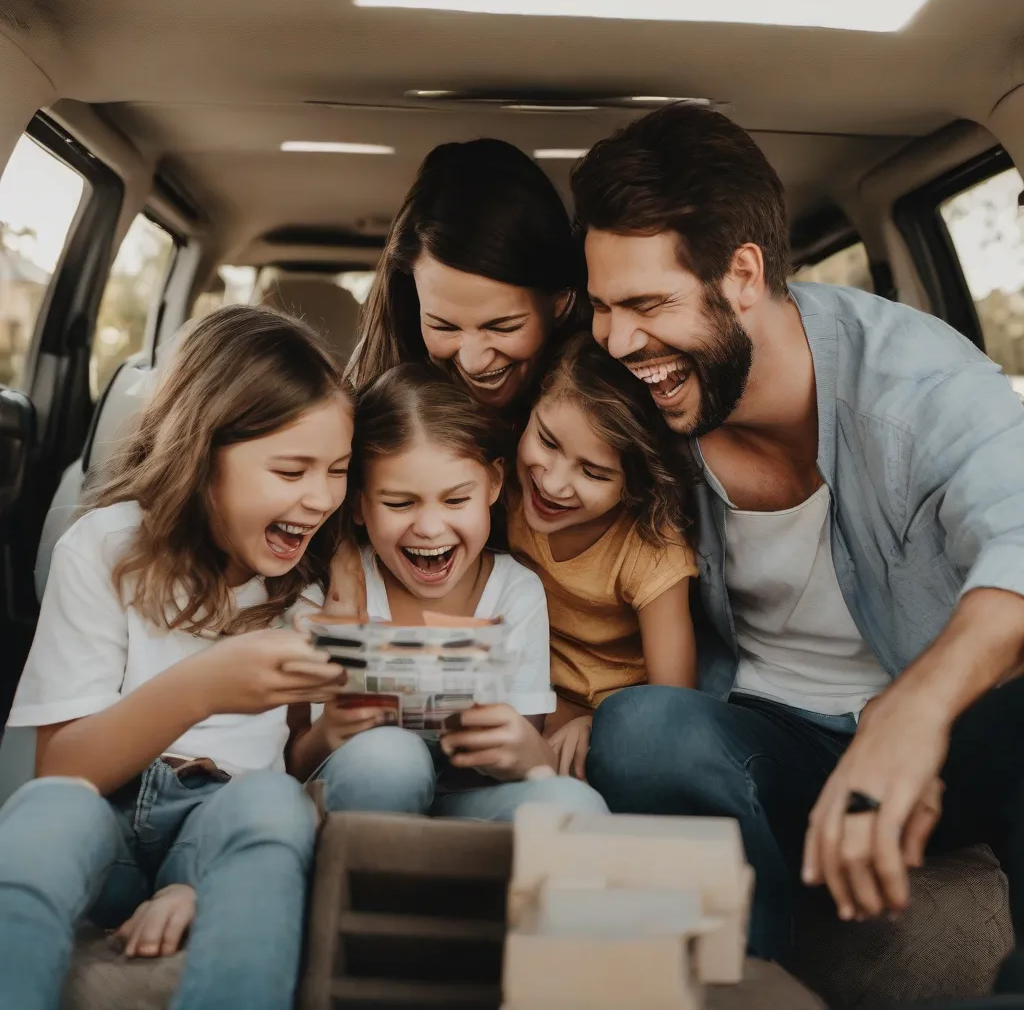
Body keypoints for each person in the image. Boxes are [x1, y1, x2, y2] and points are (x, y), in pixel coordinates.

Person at [571, 102, 1024, 966]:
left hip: (931, 751)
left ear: (743, 274)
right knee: (640, 728)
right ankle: (753, 982)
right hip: (760, 743)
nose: (619, 340)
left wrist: (917, 711)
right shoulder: (621, 389)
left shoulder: (916, 382)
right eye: (601, 307)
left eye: (647, 304)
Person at [0, 306, 354, 1010]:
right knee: (47, 813)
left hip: (222, 818)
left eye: (339, 471)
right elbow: (65, 769)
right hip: (103, 815)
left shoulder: (311, 584)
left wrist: (332, 733)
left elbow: (286, 763)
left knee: (273, 804)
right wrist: (202, 688)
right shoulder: (105, 549)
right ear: (202, 456)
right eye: (291, 469)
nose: (320, 498)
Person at [290, 363, 608, 820]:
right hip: (363, 794)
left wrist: (527, 751)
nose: (430, 527)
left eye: (456, 500)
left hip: (472, 798)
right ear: (358, 503)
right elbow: (291, 761)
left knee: (577, 805)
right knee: (392, 758)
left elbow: (528, 752)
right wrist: (331, 730)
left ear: (494, 485)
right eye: (400, 503)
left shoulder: (514, 591)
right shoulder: (329, 588)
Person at [507, 332, 698, 779]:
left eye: (593, 472)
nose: (552, 484)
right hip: (522, 698)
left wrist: (595, 724)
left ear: (635, 485)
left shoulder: (650, 549)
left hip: (609, 725)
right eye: (548, 442)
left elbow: (675, 702)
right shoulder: (500, 492)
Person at [346, 138, 582, 421]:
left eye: (503, 327)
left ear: (561, 302)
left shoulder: (601, 406)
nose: (474, 362)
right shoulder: (372, 401)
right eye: (443, 327)